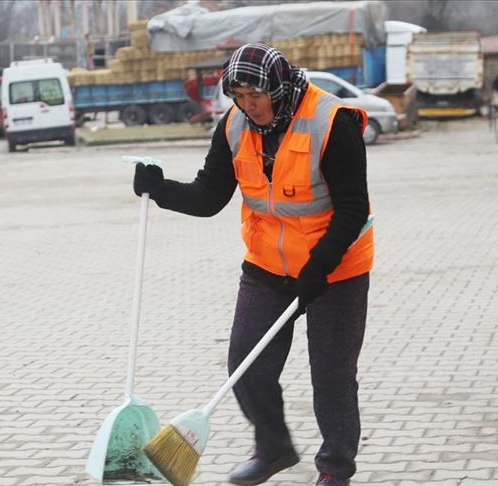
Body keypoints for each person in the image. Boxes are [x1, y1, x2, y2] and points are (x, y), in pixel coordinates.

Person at [133, 43, 374, 486]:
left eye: (256, 96)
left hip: (335, 270)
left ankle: (335, 468)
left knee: (332, 374)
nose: (249, 106)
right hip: (267, 265)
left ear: (278, 88)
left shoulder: (331, 122)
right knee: (246, 364)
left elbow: (353, 208)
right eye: (239, 97)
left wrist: (318, 266)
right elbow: (208, 197)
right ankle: (274, 447)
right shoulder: (234, 126)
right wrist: (160, 189)